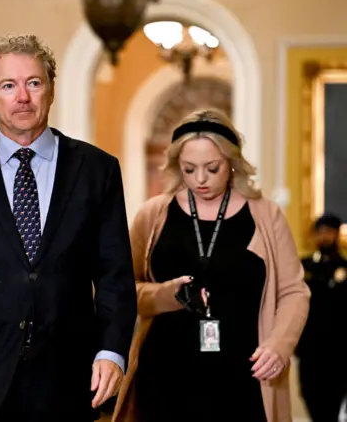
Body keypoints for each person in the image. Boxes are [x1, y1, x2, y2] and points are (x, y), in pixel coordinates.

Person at [0, 33, 137, 422]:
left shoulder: (98, 171)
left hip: (68, 378)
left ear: (50, 91)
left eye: (34, 83)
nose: (22, 97)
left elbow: (115, 273)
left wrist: (111, 350)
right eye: (8, 85)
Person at [112, 109, 310, 422]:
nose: (200, 179)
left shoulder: (266, 215)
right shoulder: (153, 214)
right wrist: (167, 294)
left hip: (244, 376)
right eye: (189, 169)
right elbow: (122, 289)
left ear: (232, 163)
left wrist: (279, 345)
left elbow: (294, 291)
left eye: (212, 168)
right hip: (164, 374)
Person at [295, 214, 347, 422]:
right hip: (309, 346)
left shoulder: (345, 268)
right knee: (310, 393)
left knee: (334, 399)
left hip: (338, 348)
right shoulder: (304, 267)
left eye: (329, 232)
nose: (324, 236)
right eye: (320, 231)